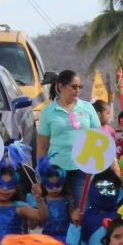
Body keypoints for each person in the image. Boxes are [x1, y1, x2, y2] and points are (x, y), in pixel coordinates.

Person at [37, 69, 100, 207]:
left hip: (82, 167)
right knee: (59, 210)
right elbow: (42, 146)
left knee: (82, 208)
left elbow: (98, 138)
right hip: (56, 169)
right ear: (61, 86)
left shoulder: (87, 107)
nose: (77, 90)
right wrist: (40, 171)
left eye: (80, 87)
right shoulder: (48, 111)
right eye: (74, 86)